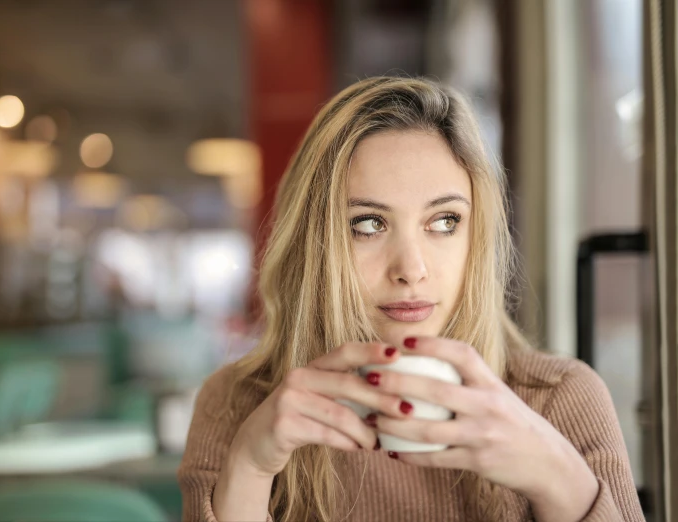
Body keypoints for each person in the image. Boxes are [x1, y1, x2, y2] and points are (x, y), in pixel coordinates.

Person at [177, 77, 644, 522]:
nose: (411, 270)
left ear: (476, 239)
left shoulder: (561, 398)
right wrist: (251, 467)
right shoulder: (237, 403)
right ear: (315, 245)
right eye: (368, 224)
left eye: (444, 222)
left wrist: (556, 476)